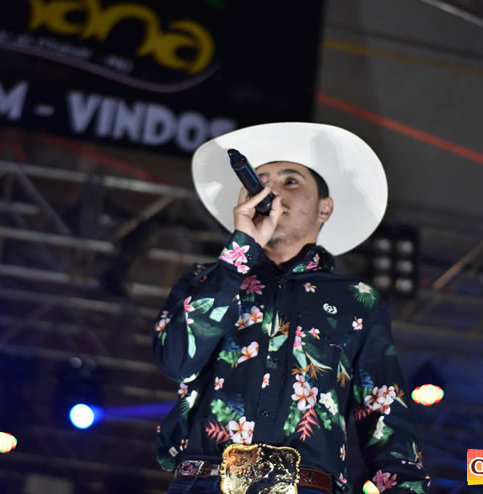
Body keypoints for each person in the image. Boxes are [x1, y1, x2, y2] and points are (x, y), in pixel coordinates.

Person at [152, 123, 430, 493]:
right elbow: (175, 362)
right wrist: (240, 252)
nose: (272, 192)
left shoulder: (357, 300)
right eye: (262, 182)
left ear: (325, 208)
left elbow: (385, 413)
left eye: (291, 181)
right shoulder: (205, 279)